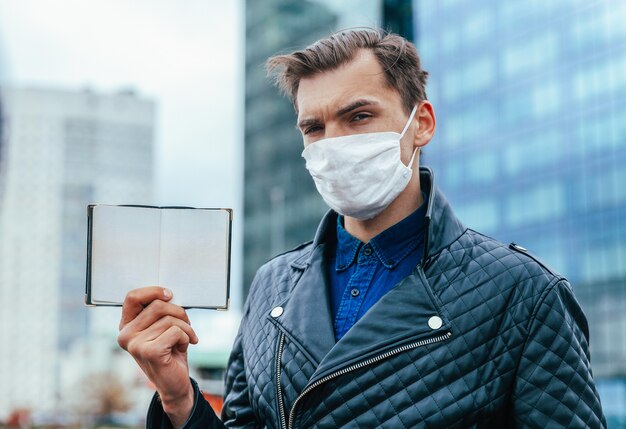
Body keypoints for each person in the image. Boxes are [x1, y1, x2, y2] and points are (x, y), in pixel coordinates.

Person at [118, 29, 606, 428]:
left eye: (359, 116)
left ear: (421, 124)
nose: (334, 143)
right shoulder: (272, 283)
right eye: (314, 127)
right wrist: (179, 397)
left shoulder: (523, 292)